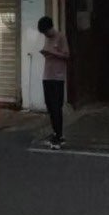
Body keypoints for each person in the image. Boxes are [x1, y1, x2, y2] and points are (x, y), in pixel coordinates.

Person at [38, 15, 70, 149]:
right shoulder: (47, 38)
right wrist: (46, 53)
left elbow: (67, 55)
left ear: (51, 28)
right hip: (47, 76)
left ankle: (59, 136)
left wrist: (53, 52)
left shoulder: (61, 37)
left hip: (58, 77)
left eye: (46, 32)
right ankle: (55, 132)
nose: (46, 35)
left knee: (57, 107)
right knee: (50, 106)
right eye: (44, 33)